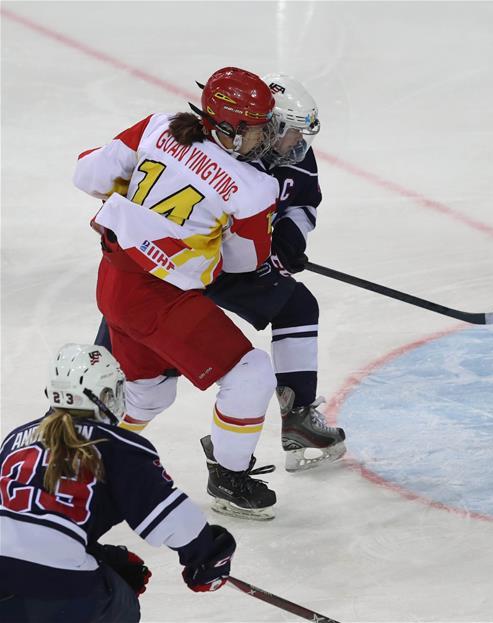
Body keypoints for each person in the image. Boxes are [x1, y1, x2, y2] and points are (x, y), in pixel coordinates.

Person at [95, 72, 346, 472]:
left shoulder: (290, 155)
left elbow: (302, 204)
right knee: (128, 346)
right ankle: (84, 421)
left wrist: (288, 238)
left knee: (297, 306)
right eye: (291, 133)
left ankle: (297, 415)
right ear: (265, 126)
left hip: (223, 266)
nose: (299, 145)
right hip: (168, 270)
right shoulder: (218, 152)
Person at [73, 67, 280, 520]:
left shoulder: (156, 126)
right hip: (158, 299)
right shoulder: (253, 188)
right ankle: (229, 476)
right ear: (231, 127)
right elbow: (245, 262)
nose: (264, 137)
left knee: (149, 393)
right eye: (260, 127)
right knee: (251, 372)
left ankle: (80, 467)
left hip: (114, 284)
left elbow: (87, 174)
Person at [0, 344, 236, 622]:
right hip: (58, 589)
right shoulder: (116, 446)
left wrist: (101, 558)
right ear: (105, 395)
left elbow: (26, 526)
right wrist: (207, 558)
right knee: (120, 604)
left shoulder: (14, 441)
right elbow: (174, 520)